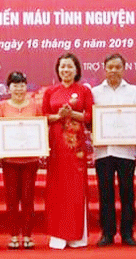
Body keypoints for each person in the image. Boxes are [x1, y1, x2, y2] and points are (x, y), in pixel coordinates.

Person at [43, 53, 93, 249]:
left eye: (70, 67)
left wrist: (72, 114)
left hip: (76, 148)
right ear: (58, 70)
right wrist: (58, 116)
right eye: (62, 67)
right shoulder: (50, 91)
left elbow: (90, 116)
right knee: (57, 187)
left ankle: (76, 235)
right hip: (56, 145)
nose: (66, 70)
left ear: (76, 70)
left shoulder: (84, 91)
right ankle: (58, 234)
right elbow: (44, 116)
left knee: (75, 188)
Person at [91, 54, 136, 247]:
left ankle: (128, 233)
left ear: (124, 68)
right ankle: (107, 233)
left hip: (126, 150)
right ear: (104, 68)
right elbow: (92, 119)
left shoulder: (133, 91)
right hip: (103, 151)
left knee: (127, 192)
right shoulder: (96, 92)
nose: (113, 70)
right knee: (105, 194)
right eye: (110, 67)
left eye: (117, 67)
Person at [0, 71, 42, 249]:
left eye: (22, 85)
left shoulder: (35, 106)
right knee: (12, 199)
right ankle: (13, 235)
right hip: (9, 161)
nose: (19, 89)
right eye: (15, 85)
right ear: (9, 88)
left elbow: (41, 130)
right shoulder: (1, 106)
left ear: (26, 86)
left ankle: (28, 236)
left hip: (30, 160)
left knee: (28, 198)